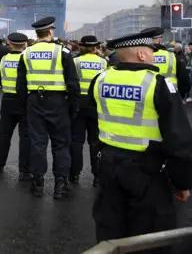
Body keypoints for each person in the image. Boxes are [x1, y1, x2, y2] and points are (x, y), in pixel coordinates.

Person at [89, 28, 192, 246]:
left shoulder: (101, 79)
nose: (154, 55)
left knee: (110, 230)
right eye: (151, 50)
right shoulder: (157, 84)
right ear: (142, 55)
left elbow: (93, 117)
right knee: (148, 236)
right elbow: (178, 140)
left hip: (108, 165)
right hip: (146, 171)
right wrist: (182, 183)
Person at [16, 17, 79, 199]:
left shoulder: (26, 54)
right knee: (61, 144)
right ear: (50, 31)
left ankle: (37, 184)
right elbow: (73, 84)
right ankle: (60, 185)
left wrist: (24, 107)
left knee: (38, 143)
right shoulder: (63, 52)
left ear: (37, 33)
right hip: (58, 102)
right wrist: (73, 107)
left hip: (34, 101)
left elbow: (21, 84)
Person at [70, 35, 107, 186]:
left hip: (79, 105)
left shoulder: (75, 61)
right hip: (96, 106)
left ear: (82, 46)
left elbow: (71, 83)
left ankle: (74, 174)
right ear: (96, 47)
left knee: (76, 141)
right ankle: (97, 176)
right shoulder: (104, 62)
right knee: (95, 142)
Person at [0, 33, 32, 181]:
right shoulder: (27, 59)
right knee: (25, 136)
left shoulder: (4, 59)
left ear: (10, 43)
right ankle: (24, 170)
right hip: (24, 100)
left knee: (4, 134)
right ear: (24, 44)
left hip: (7, 98)